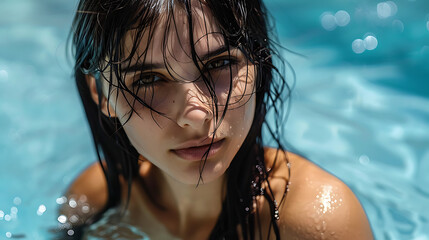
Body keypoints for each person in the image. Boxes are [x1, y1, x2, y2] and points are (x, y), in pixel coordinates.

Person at [58, 0, 374, 239]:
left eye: (218, 64)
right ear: (100, 95)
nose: (195, 117)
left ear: (258, 66)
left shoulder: (316, 222)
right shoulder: (95, 201)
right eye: (148, 80)